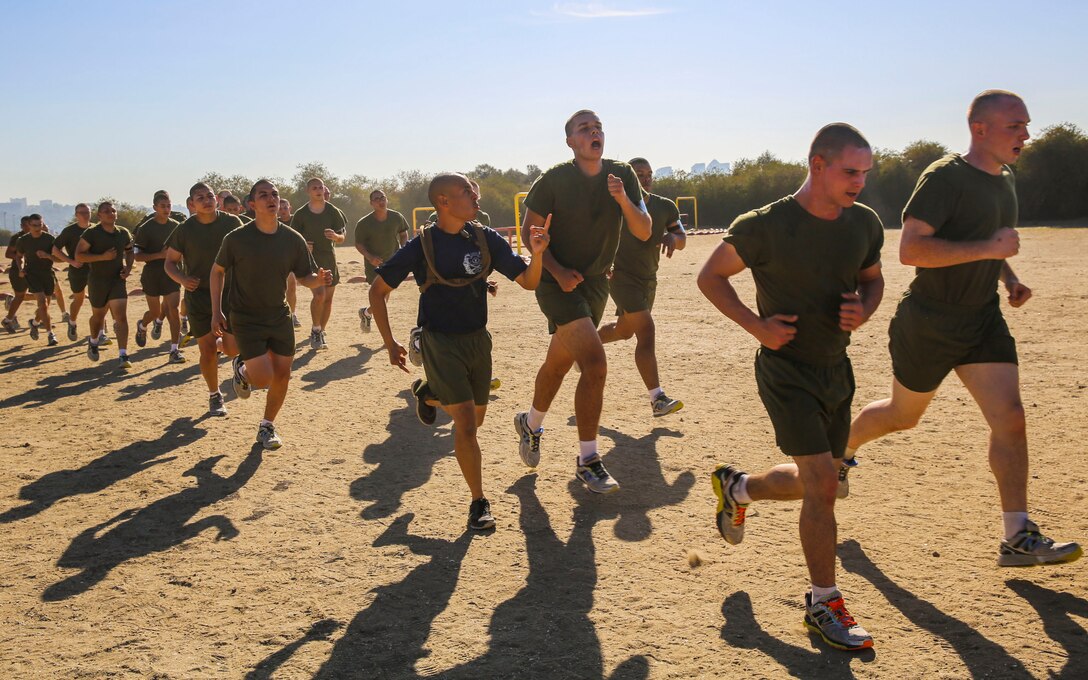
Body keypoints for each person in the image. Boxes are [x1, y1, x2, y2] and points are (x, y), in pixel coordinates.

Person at [845, 90, 1081, 567]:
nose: (1026, 135)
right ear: (980, 129)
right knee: (901, 415)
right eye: (1015, 126)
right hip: (931, 321)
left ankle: (1017, 535)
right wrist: (990, 248)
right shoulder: (944, 177)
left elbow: (988, 246)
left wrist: (1009, 277)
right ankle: (843, 450)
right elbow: (912, 251)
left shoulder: (1007, 179)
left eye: (1026, 125)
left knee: (1011, 417)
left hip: (981, 319)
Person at [699, 123, 884, 651]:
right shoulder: (765, 225)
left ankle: (739, 489)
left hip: (837, 370)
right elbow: (710, 277)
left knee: (820, 481)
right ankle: (823, 604)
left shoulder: (863, 223)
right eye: (851, 171)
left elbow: (873, 279)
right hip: (786, 371)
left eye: (866, 173)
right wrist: (757, 327)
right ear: (818, 166)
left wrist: (864, 309)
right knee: (825, 482)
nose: (860, 183)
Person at [369, 173, 548, 530]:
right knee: (466, 424)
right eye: (466, 192)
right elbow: (377, 291)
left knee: (476, 418)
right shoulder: (422, 245)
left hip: (478, 341)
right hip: (440, 342)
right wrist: (390, 343)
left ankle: (428, 393)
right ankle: (478, 503)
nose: (475, 196)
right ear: (443, 202)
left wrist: (538, 255)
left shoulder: (484, 237)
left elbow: (529, 281)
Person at [513, 109, 650, 494]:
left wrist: (623, 200)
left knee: (558, 364)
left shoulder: (621, 176)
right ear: (570, 141)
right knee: (594, 362)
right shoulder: (554, 179)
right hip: (557, 282)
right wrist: (555, 270)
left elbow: (643, 229)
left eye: (598, 127)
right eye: (584, 128)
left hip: (594, 283)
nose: (594, 132)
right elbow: (530, 232)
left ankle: (531, 423)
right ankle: (588, 459)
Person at [211, 179, 330, 450]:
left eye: (274, 193)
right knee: (264, 378)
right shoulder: (237, 238)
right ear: (252, 205)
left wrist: (319, 279)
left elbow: (305, 277)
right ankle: (241, 368)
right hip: (245, 316)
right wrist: (216, 310)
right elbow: (216, 271)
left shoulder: (292, 239)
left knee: (283, 374)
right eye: (263, 195)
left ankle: (267, 426)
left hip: (279, 315)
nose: (271, 198)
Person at [598, 157, 686, 417]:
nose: (645, 178)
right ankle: (657, 399)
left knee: (625, 331)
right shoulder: (614, 207)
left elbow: (681, 237)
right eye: (639, 174)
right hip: (619, 276)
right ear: (629, 180)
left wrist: (673, 238)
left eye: (649, 174)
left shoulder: (665, 206)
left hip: (649, 278)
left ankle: (589, 343)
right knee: (646, 330)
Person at [165, 183, 244, 416]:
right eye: (201, 197)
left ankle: (233, 358)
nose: (207, 200)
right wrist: (182, 278)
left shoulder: (231, 223)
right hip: (198, 296)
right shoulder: (184, 229)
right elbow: (169, 262)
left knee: (231, 349)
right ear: (192, 204)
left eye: (210, 196)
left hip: (230, 294)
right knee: (207, 350)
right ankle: (214, 395)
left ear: (217, 200)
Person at [76, 202, 135, 369]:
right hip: (97, 281)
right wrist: (102, 257)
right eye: (106, 211)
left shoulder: (123, 233)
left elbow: (130, 251)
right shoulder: (92, 233)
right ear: (99, 216)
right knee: (98, 317)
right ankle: (93, 341)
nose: (111, 213)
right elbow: (79, 256)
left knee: (121, 317)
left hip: (117, 280)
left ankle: (123, 354)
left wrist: (128, 267)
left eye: (113, 210)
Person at [290, 177, 346, 349]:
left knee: (328, 300)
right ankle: (315, 330)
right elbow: (292, 238)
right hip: (311, 262)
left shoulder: (333, 211)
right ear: (308, 191)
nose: (318, 190)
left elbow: (343, 236)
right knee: (319, 295)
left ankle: (321, 330)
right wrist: (304, 246)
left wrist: (336, 237)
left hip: (329, 258)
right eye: (314, 187)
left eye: (320, 187)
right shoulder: (301, 214)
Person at [133, 190, 184, 363]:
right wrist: (160, 255)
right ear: (154, 207)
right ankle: (142, 325)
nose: (166, 209)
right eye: (162, 206)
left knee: (174, 310)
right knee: (155, 312)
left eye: (168, 205)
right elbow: (137, 257)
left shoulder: (177, 226)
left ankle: (174, 350)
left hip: (172, 273)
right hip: (152, 274)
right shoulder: (146, 228)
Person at [354, 189, 409, 333]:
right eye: (376, 199)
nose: (380, 200)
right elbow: (359, 244)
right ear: (371, 203)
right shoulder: (364, 223)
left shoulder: (397, 217)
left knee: (385, 294)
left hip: (392, 262)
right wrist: (370, 257)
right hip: (374, 265)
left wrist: (403, 249)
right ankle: (384, 331)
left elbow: (403, 234)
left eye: (383, 197)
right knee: (380, 294)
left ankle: (367, 313)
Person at [51, 204, 94, 341]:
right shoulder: (69, 231)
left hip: (95, 269)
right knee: (79, 299)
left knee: (98, 300)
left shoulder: (96, 228)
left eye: (87, 212)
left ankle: (100, 331)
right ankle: (72, 322)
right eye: (82, 213)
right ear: (76, 215)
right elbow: (54, 249)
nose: (85, 215)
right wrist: (70, 261)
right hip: (77, 270)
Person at [16, 214, 60, 346]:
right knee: (42, 302)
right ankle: (50, 334)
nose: (37, 228)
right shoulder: (23, 240)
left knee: (46, 303)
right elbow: (19, 256)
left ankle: (34, 323)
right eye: (34, 225)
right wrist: (21, 268)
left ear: (43, 224)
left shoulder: (49, 239)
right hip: (32, 274)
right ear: (28, 225)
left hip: (47, 273)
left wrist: (47, 255)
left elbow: (60, 259)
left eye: (39, 225)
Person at [2, 217, 30, 333]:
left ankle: (40, 320)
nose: (26, 227)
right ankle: (8, 319)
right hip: (18, 271)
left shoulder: (38, 235)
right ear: (21, 226)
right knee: (20, 296)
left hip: (35, 270)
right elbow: (8, 254)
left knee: (43, 294)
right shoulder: (17, 238)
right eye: (24, 225)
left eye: (28, 225)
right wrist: (20, 257)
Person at [278, 198, 302, 328]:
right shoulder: (274, 223)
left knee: (291, 286)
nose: (283, 211)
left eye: (285, 208)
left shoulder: (297, 221)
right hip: (279, 259)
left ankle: (292, 314)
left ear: (290, 208)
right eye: (280, 208)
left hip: (295, 259)